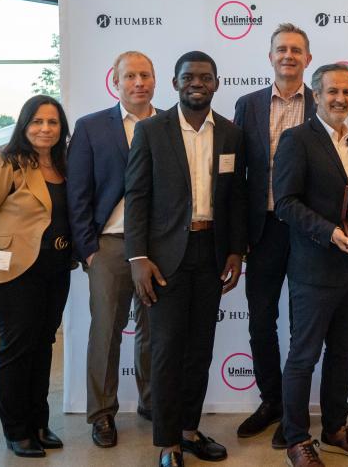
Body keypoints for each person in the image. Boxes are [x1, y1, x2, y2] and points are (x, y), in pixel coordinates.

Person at [124, 51, 247, 467]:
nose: (198, 83)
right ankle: (167, 442)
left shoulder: (231, 134)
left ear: (216, 83)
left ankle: (190, 430)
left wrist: (236, 250)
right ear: (175, 83)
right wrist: (137, 256)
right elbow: (137, 196)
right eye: (189, 77)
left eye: (206, 77)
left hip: (211, 253)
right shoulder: (151, 131)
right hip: (163, 258)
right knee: (166, 349)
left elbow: (235, 200)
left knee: (200, 349)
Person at [273, 63, 348, 467]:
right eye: (332, 91)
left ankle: (335, 430)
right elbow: (285, 203)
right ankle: (297, 439)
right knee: (303, 357)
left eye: (347, 92)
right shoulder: (296, 139)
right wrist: (330, 233)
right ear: (315, 96)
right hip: (313, 270)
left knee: (343, 353)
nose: (340, 98)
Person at [0, 95, 71, 458]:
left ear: (61, 128)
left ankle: (39, 423)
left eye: (52, 122)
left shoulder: (65, 164)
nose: (45, 129)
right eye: (37, 121)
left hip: (55, 270)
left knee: (43, 345)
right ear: (24, 126)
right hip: (11, 273)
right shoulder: (5, 164)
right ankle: (16, 430)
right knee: (16, 347)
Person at [67, 50, 156, 448]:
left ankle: (153, 405)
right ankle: (102, 414)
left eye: (146, 75)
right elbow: (78, 192)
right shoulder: (90, 128)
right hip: (107, 245)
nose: (139, 82)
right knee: (106, 332)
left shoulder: (171, 125)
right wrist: (88, 250)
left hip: (157, 248)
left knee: (154, 333)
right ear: (116, 82)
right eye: (130, 76)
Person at [233, 23, 315, 448]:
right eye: (281, 49)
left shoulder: (323, 103)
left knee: (303, 327)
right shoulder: (247, 106)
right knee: (261, 322)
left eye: (296, 50)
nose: (288, 55)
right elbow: (234, 175)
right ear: (270, 57)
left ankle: (294, 414)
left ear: (307, 59)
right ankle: (271, 402)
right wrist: (236, 237)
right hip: (261, 230)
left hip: (306, 233)